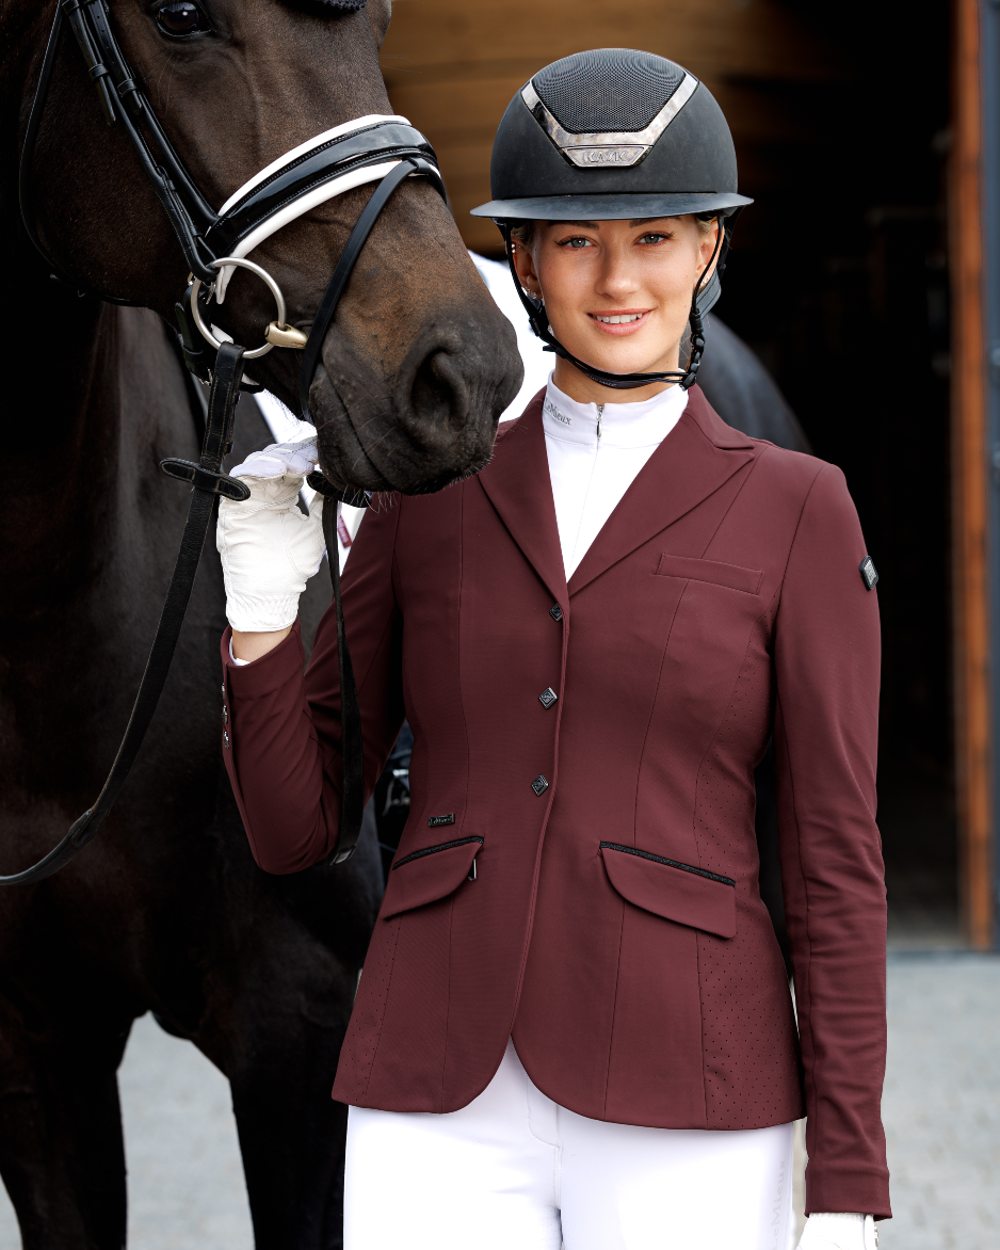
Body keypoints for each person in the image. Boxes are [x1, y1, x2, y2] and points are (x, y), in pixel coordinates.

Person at [215, 49, 889, 1250]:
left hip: (693, 1081)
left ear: (708, 250)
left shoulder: (800, 507)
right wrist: (263, 606)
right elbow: (298, 823)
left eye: (655, 237)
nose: (617, 278)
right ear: (523, 260)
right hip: (437, 1084)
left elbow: (833, 858)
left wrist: (844, 1175)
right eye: (576, 243)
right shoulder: (432, 491)